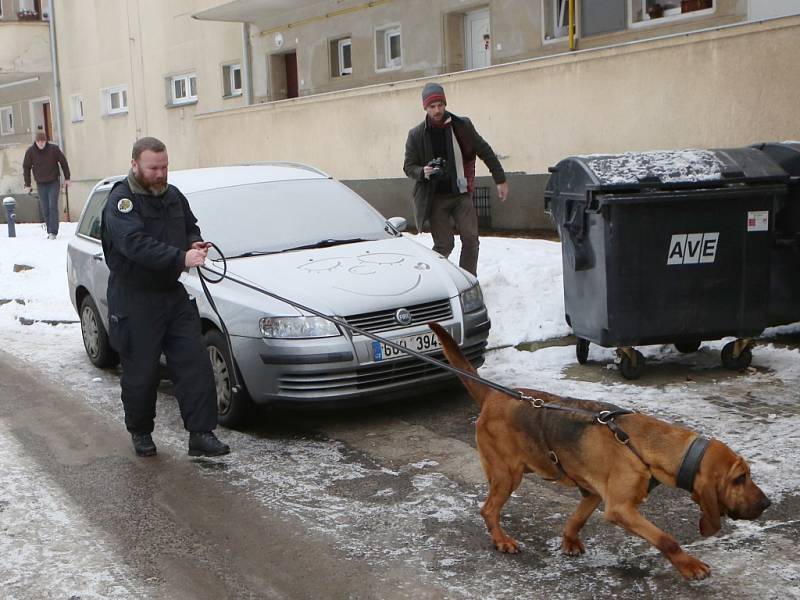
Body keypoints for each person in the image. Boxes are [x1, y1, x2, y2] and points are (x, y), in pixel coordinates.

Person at [101, 136, 230, 458]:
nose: (160, 174)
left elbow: (190, 227)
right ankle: (141, 431)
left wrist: (196, 243)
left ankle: (201, 434)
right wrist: (180, 259)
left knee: (194, 364)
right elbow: (134, 244)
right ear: (135, 165)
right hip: (134, 297)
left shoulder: (173, 196)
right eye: (153, 168)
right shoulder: (122, 201)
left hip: (171, 294)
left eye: (164, 167)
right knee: (141, 373)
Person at [404, 82, 508, 276]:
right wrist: (423, 172)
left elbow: (485, 151)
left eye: (440, 105)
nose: (437, 110)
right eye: (432, 106)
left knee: (471, 239)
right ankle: (432, 281)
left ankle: (467, 281)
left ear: (445, 104)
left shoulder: (462, 126)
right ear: (425, 108)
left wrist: (500, 180)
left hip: (461, 194)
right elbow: (408, 167)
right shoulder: (416, 135)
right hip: (435, 198)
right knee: (444, 245)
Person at [23, 130, 71, 240]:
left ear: (46, 141)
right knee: (45, 207)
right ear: (35, 141)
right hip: (40, 183)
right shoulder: (30, 152)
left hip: (53, 181)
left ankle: (53, 232)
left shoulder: (53, 149)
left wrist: (67, 178)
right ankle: (49, 230)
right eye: (39, 141)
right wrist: (27, 184)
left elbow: (63, 162)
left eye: (43, 141)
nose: (41, 143)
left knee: (52, 205)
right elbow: (26, 167)